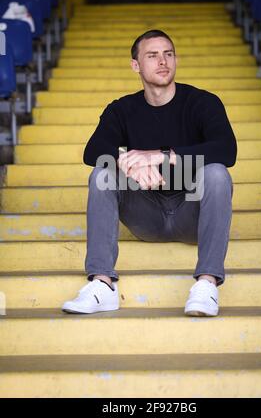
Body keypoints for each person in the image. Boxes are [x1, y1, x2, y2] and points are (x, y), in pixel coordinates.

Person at [62, 29, 237, 317]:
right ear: (136, 65)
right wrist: (128, 161)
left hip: (191, 213)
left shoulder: (203, 102)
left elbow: (227, 150)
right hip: (147, 215)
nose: (163, 61)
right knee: (102, 174)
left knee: (217, 173)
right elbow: (92, 152)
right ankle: (102, 285)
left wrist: (161, 156)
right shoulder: (122, 109)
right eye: (152, 55)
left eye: (168, 54)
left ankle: (206, 285)